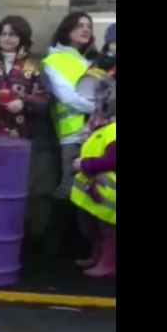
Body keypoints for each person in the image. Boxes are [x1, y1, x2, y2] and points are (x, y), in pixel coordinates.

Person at [42, 11, 99, 255]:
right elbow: (69, 98)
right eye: (79, 25)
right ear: (67, 30)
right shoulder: (53, 61)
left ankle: (83, 243)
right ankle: (53, 241)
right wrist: (104, 108)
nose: (85, 30)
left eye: (88, 25)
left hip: (98, 133)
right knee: (69, 184)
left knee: (95, 187)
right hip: (73, 135)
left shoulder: (88, 62)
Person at [70, 67, 116, 277]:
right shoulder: (101, 124)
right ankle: (98, 257)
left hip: (108, 192)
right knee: (94, 227)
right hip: (97, 188)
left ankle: (107, 264)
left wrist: (85, 165)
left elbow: (112, 159)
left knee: (109, 230)